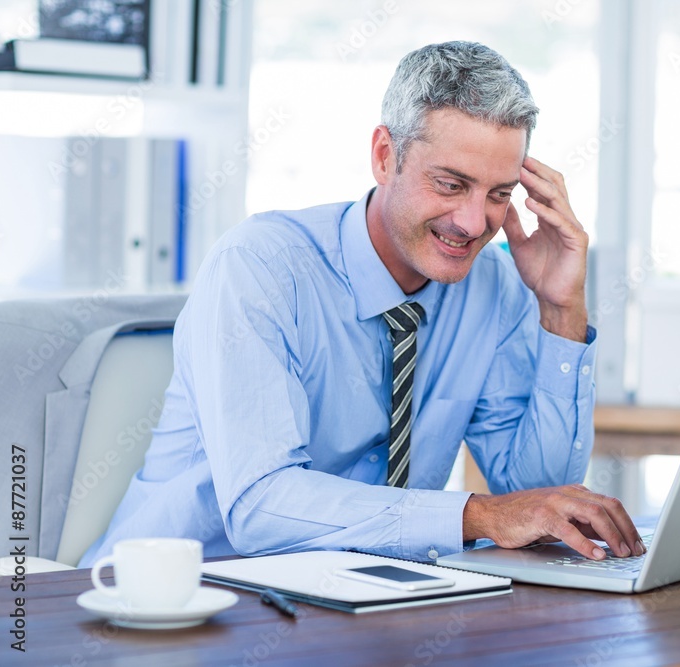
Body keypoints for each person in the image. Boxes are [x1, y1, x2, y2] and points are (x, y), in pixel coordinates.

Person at [80, 41, 644, 568]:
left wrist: (561, 310)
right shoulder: (260, 267)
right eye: (450, 184)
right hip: (177, 599)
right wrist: (475, 516)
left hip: (355, 605)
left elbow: (536, 499)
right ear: (383, 156)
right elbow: (259, 503)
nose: (475, 224)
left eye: (498, 194)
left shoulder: (493, 287)